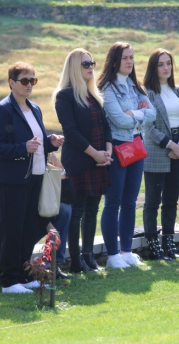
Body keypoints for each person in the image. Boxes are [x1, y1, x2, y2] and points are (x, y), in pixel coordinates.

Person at [0, 62, 63, 294]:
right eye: (24, 80)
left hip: (35, 177)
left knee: (28, 229)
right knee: (13, 230)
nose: (29, 84)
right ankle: (9, 281)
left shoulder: (35, 109)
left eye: (33, 80)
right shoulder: (2, 110)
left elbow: (38, 143)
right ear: (12, 83)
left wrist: (51, 142)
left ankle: (24, 275)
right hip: (12, 180)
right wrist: (23, 147)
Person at [53, 48, 113, 273]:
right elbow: (71, 132)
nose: (90, 68)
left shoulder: (93, 95)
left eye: (92, 63)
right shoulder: (65, 95)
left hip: (99, 161)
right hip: (79, 161)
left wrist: (107, 153)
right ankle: (76, 261)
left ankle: (89, 257)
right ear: (74, 68)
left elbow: (106, 126)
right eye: (85, 64)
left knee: (92, 211)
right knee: (77, 212)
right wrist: (95, 153)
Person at [98, 42, 156, 268]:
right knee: (113, 203)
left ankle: (126, 252)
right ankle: (112, 256)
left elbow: (153, 113)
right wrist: (139, 115)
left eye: (132, 57)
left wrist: (135, 112)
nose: (130, 62)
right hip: (117, 147)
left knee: (130, 202)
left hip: (136, 145)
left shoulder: (136, 86)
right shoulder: (107, 89)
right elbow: (119, 120)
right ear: (114, 61)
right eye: (125, 58)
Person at [0, 153, 75, 279]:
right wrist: (48, 225)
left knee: (64, 209)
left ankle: (53, 264)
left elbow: (69, 198)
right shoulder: (9, 176)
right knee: (39, 214)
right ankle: (15, 268)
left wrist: (60, 169)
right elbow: (28, 207)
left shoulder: (38, 173)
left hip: (24, 226)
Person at [142, 48, 179, 260]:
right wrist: (172, 145)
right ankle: (153, 246)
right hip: (157, 151)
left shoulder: (178, 90)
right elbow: (148, 127)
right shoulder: (146, 92)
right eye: (161, 64)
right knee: (153, 201)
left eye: (169, 63)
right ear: (153, 68)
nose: (166, 68)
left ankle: (169, 244)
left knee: (171, 200)